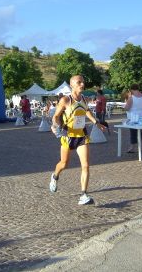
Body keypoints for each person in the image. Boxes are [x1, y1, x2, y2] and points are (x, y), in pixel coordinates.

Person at [49, 75, 106, 205]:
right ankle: (55, 176)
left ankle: (84, 195)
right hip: (68, 136)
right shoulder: (65, 100)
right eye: (79, 82)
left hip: (82, 136)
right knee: (64, 163)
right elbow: (56, 116)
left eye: (83, 82)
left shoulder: (84, 99)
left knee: (85, 165)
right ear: (72, 85)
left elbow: (86, 112)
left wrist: (96, 122)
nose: (82, 84)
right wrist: (55, 125)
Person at [124, 84, 142, 153]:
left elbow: (127, 108)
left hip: (134, 118)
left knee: (133, 132)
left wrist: (124, 107)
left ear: (131, 90)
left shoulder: (131, 98)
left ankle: (132, 147)